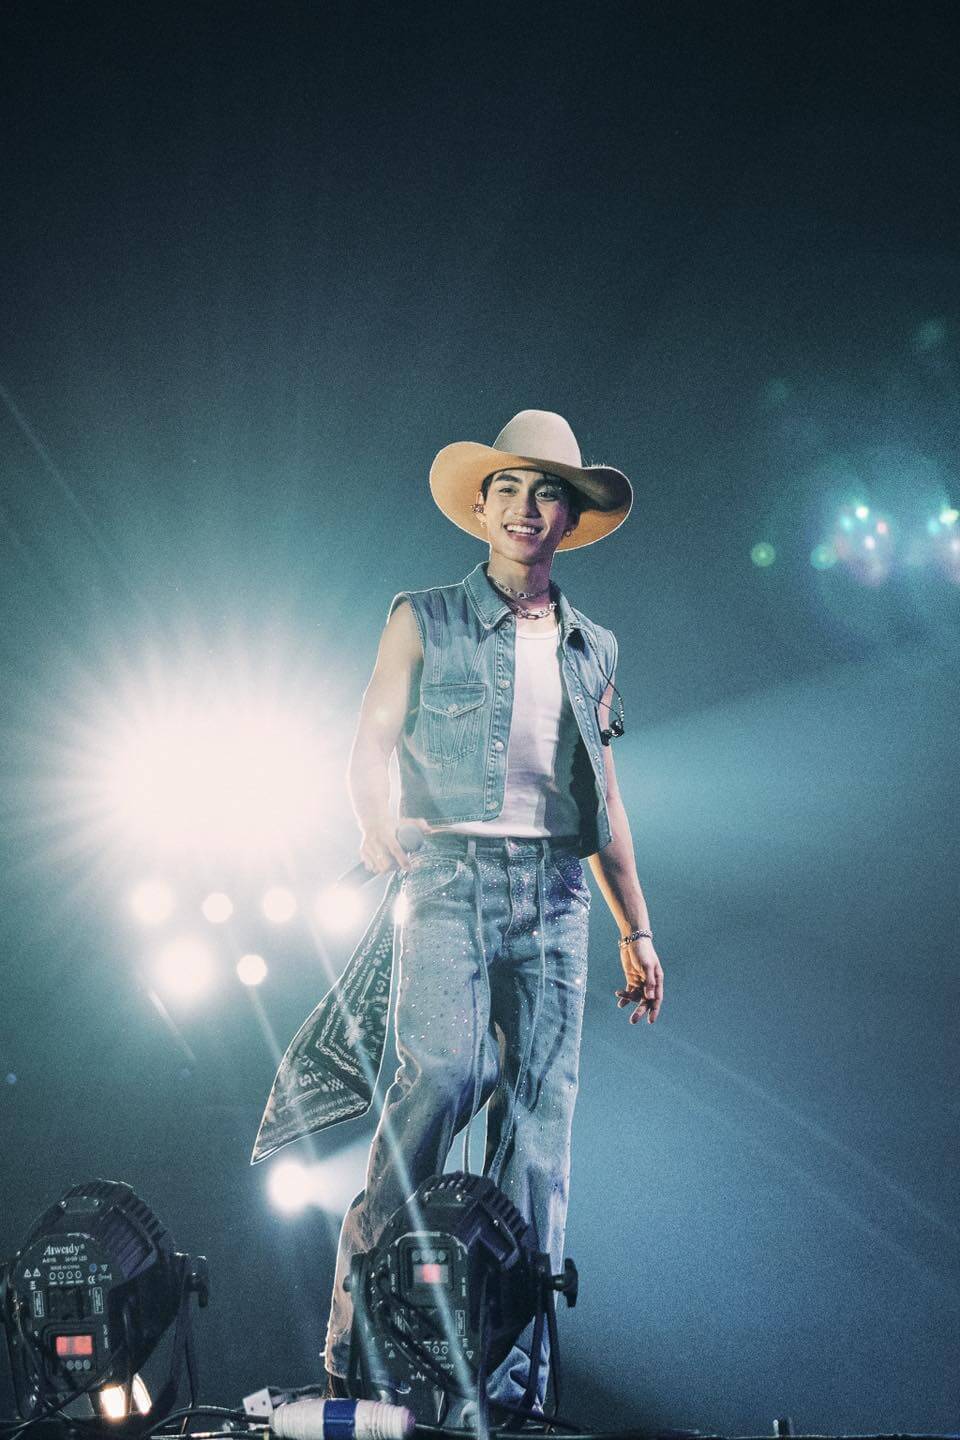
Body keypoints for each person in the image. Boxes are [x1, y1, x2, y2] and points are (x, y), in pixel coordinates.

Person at [322, 409, 664, 1410]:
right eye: (508, 488)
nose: (525, 506)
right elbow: (371, 740)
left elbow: (604, 803)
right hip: (449, 879)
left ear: (569, 518)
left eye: (546, 491)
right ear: (481, 508)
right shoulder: (421, 617)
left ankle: (511, 1389)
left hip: (556, 894)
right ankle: (356, 1341)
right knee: (443, 1074)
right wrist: (375, 822)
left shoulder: (594, 646)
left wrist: (639, 928)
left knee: (539, 1133)